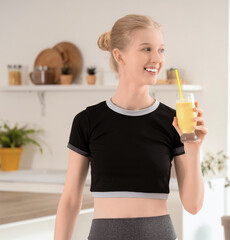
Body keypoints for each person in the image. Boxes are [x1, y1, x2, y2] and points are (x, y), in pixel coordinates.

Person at [54, 14, 207, 240]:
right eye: (146, 49)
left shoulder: (173, 121)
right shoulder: (87, 121)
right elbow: (69, 200)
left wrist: (193, 149)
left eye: (161, 50)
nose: (157, 58)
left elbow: (193, 206)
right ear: (119, 56)